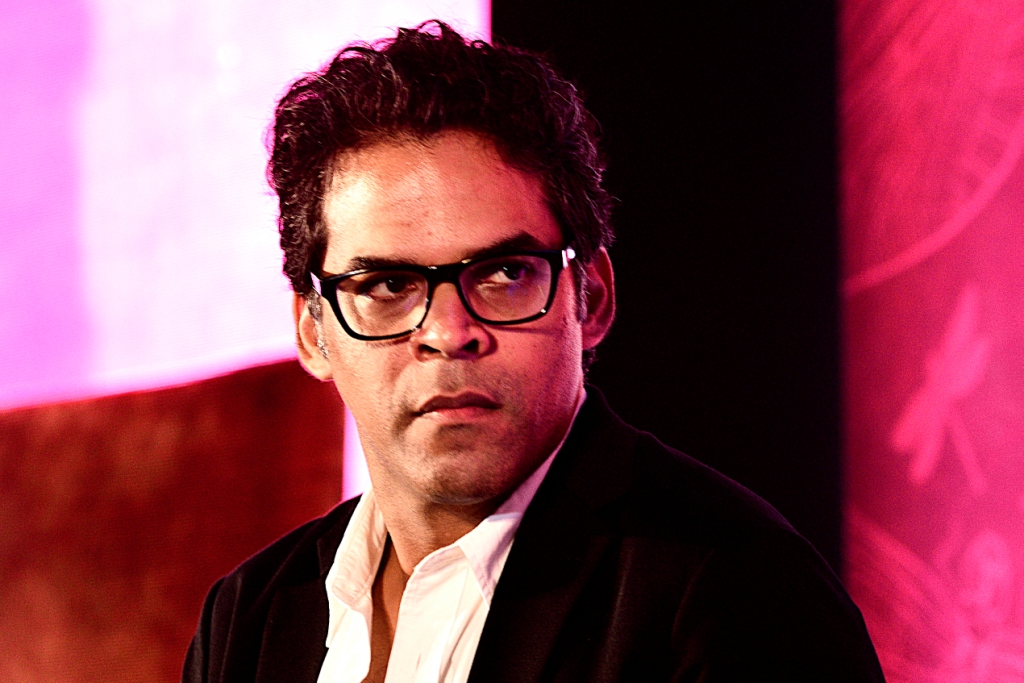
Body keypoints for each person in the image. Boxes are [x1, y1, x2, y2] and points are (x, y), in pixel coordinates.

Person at [183, 21, 885, 683]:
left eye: (504, 274)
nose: (449, 331)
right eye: (388, 284)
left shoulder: (738, 589)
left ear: (593, 297)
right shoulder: (249, 616)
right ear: (313, 331)